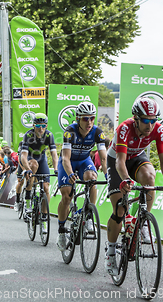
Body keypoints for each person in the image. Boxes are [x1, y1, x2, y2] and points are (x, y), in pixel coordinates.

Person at [104, 97, 163, 275]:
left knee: (149, 177)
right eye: (146, 120)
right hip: (116, 161)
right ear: (136, 118)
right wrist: (125, 179)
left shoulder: (158, 130)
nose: (150, 125)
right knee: (120, 209)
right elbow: (120, 161)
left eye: (154, 120)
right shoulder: (124, 128)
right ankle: (110, 252)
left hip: (137, 158)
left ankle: (144, 222)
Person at [56, 102, 107, 251]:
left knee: (92, 178)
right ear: (78, 118)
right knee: (66, 196)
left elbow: (103, 159)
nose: (89, 122)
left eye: (92, 118)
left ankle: (89, 215)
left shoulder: (98, 132)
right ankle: (61, 231)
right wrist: (71, 173)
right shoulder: (69, 132)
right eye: (85, 119)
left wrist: (108, 175)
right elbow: (65, 158)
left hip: (85, 161)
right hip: (68, 162)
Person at [20, 114, 59, 226]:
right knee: (33, 165)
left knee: (46, 186)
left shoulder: (49, 135)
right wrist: (27, 169)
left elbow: (54, 154)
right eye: (38, 125)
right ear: (33, 125)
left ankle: (44, 215)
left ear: (46, 126)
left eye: (43, 126)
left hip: (42, 158)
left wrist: (56, 169)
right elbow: (23, 156)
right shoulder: (28, 135)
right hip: (29, 158)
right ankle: (27, 201)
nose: (41, 129)